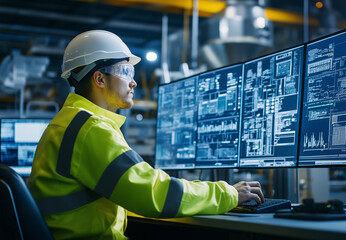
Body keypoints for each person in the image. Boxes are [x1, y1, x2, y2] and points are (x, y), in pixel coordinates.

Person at [28, 30, 264, 240]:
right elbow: (155, 195)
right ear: (99, 78)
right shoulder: (90, 129)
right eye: (125, 71)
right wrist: (229, 193)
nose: (133, 82)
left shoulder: (68, 122)